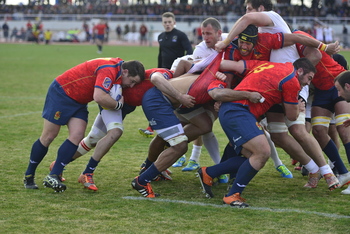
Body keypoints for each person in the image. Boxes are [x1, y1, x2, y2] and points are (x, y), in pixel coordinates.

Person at [215, 0, 341, 190]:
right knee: (278, 135)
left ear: (262, 9)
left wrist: (312, 61)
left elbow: (305, 46)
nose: (246, 13)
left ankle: (328, 173)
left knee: (297, 130)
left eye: (250, 8)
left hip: (293, 85)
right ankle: (313, 168)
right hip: (273, 91)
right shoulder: (259, 35)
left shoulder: (273, 19)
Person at [131, 55, 262, 198]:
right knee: (180, 146)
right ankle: (142, 179)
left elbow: (191, 69)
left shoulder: (212, 73)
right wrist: (246, 95)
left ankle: (159, 162)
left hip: (180, 102)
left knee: (204, 125)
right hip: (158, 101)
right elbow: (217, 92)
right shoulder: (217, 80)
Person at [198, 58, 320, 207]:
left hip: (233, 111)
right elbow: (292, 116)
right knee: (262, 152)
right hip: (238, 111)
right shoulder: (292, 80)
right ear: (300, 71)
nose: (308, 83)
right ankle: (232, 195)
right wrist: (298, 105)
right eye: (309, 78)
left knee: (252, 157)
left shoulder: (271, 65)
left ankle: (209, 172)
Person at [51, 68, 195, 191]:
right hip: (115, 100)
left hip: (126, 105)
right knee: (115, 132)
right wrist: (180, 96)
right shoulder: (165, 74)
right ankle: (87, 172)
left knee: (93, 138)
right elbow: (158, 78)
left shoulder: (173, 80)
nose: (132, 85)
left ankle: (58, 165)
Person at [23, 58, 145, 192]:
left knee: (77, 135)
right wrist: (118, 105)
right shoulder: (109, 69)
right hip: (62, 93)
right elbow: (99, 97)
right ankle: (29, 175)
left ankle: (53, 175)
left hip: (79, 102)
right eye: (132, 81)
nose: (131, 86)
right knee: (48, 136)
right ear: (125, 72)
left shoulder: (118, 69)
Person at [139, 12, 193, 138]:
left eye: (169, 22)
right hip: (163, 73)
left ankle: (170, 126)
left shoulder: (180, 35)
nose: (167, 24)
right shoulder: (161, 36)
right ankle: (152, 127)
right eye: (165, 22)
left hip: (176, 73)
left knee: (169, 100)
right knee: (161, 99)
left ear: (174, 22)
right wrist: (158, 69)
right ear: (162, 23)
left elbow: (190, 51)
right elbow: (160, 53)